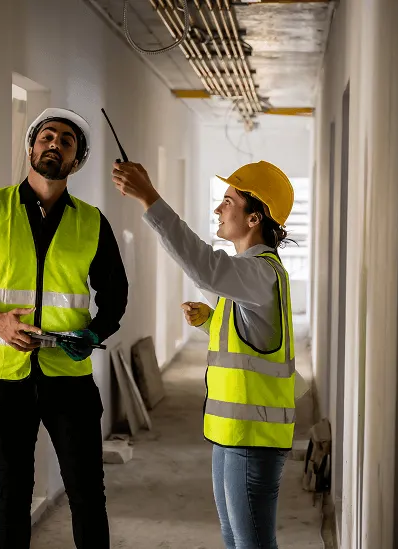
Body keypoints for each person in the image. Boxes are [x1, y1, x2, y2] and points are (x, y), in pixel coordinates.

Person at [0, 108, 127, 549]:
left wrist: (95, 334)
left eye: (66, 141)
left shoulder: (92, 222)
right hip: (5, 378)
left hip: (70, 381)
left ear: (75, 161)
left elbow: (114, 295)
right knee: (13, 494)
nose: (54, 145)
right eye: (47, 136)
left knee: (86, 494)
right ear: (31, 147)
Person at [112, 159, 297, 549]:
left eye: (228, 201)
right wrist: (211, 322)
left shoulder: (259, 273)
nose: (218, 209)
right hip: (231, 434)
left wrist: (150, 198)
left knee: (252, 544)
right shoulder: (249, 275)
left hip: (252, 437)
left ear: (254, 218)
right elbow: (254, 341)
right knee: (234, 538)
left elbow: (203, 267)